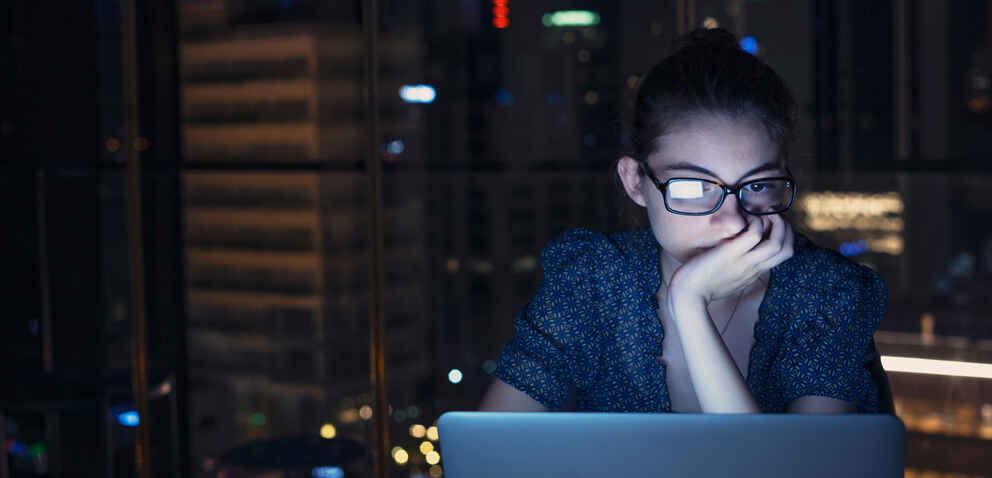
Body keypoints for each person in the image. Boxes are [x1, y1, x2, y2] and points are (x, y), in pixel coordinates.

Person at [479, 28, 888, 414]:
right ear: (635, 181)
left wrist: (689, 304)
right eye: (694, 187)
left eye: (758, 185)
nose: (732, 221)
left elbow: (781, 461)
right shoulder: (595, 282)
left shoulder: (823, 294)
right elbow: (487, 447)